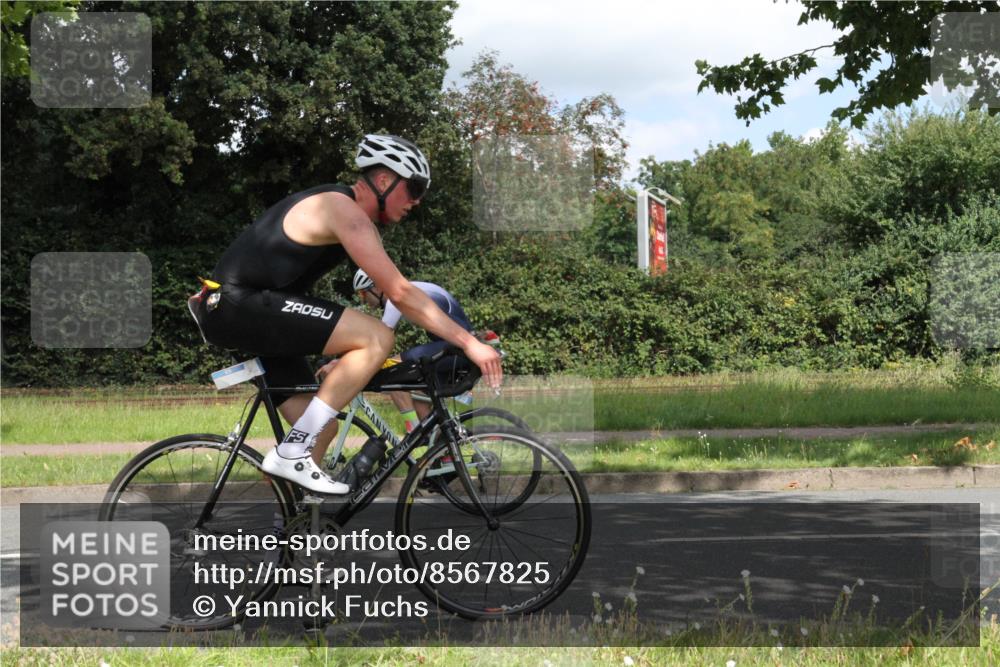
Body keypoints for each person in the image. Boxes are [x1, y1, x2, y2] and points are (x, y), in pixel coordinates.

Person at [190, 134, 502, 495]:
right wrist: (469, 342)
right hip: (237, 303)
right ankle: (291, 453)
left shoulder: (352, 215)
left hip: (245, 309)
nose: (416, 201)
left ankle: (290, 537)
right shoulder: (342, 209)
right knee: (376, 336)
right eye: (414, 188)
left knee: (321, 429)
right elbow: (400, 293)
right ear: (385, 180)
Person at [317, 270, 483, 432]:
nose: (363, 300)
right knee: (418, 392)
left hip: (458, 349)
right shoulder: (409, 289)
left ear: (377, 287)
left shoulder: (395, 298)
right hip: (458, 349)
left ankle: (412, 432)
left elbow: (377, 344)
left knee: (392, 371)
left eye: (362, 293)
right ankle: (439, 448)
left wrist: (341, 363)